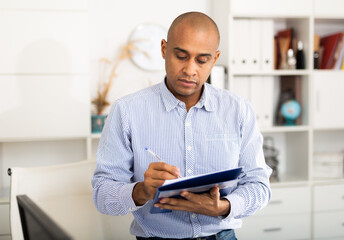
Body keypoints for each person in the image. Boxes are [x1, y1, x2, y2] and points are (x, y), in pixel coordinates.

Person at [92, 11, 272, 240]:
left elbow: (259, 185)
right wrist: (141, 191)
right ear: (164, 49)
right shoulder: (127, 111)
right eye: (181, 56)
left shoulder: (239, 110)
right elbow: (102, 194)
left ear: (214, 59)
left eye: (202, 60)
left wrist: (225, 206)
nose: (190, 70)